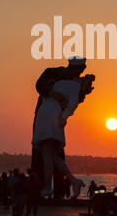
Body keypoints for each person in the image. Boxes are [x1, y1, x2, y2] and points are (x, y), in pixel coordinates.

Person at [33, 60, 95, 198]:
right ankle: (72, 181)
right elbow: (40, 86)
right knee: (48, 154)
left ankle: (50, 187)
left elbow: (72, 102)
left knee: (48, 153)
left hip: (50, 116)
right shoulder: (55, 74)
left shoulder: (73, 84)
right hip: (47, 115)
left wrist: (64, 115)